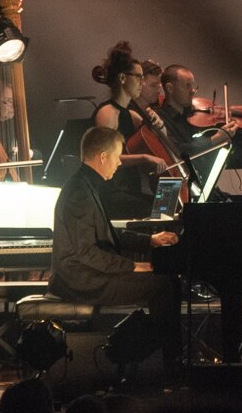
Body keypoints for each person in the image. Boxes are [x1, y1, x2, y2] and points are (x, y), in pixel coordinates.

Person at [49, 126, 182, 368]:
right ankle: (164, 362)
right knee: (162, 285)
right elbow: (87, 253)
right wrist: (132, 266)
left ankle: (160, 357)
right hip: (79, 280)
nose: (119, 164)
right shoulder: (80, 192)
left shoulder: (85, 184)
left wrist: (149, 240)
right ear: (102, 156)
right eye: (117, 156)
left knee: (166, 281)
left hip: (84, 273)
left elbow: (107, 233)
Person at [89, 43, 170, 218]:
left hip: (131, 189)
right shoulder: (107, 113)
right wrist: (144, 158)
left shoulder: (132, 114)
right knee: (161, 213)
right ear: (123, 78)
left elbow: (161, 144)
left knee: (169, 203)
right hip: (114, 192)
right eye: (138, 77)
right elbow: (104, 158)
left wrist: (160, 125)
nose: (142, 83)